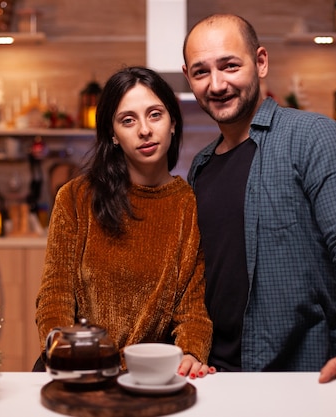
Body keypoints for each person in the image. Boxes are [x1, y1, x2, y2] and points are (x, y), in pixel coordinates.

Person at [182, 14, 336, 395]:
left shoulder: (313, 137)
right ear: (188, 77)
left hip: (305, 376)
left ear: (260, 62)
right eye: (201, 72)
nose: (216, 84)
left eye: (230, 65)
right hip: (214, 378)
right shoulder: (199, 167)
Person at [35, 66, 214, 379]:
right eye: (128, 120)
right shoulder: (76, 197)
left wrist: (191, 352)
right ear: (113, 135)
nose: (144, 130)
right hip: (77, 369)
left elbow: (193, 309)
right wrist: (63, 353)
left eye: (155, 114)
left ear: (172, 122)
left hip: (147, 375)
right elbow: (55, 296)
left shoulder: (188, 204)